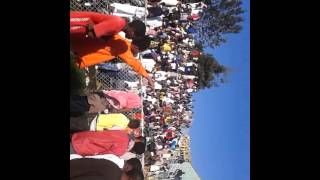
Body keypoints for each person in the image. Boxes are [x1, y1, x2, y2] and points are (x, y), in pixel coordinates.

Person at [71, 33, 154, 87]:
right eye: (139, 51)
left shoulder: (121, 39)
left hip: (81, 45)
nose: (137, 53)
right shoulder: (125, 50)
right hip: (84, 54)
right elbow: (135, 63)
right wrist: (148, 77)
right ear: (137, 47)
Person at [70, 11, 146, 39]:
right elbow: (92, 33)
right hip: (79, 22)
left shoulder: (120, 26)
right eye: (135, 36)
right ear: (133, 30)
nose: (132, 38)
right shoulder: (118, 24)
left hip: (81, 25)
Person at [71, 130, 146, 156]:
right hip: (83, 147)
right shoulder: (121, 151)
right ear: (134, 151)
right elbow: (102, 155)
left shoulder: (124, 134)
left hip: (85, 135)